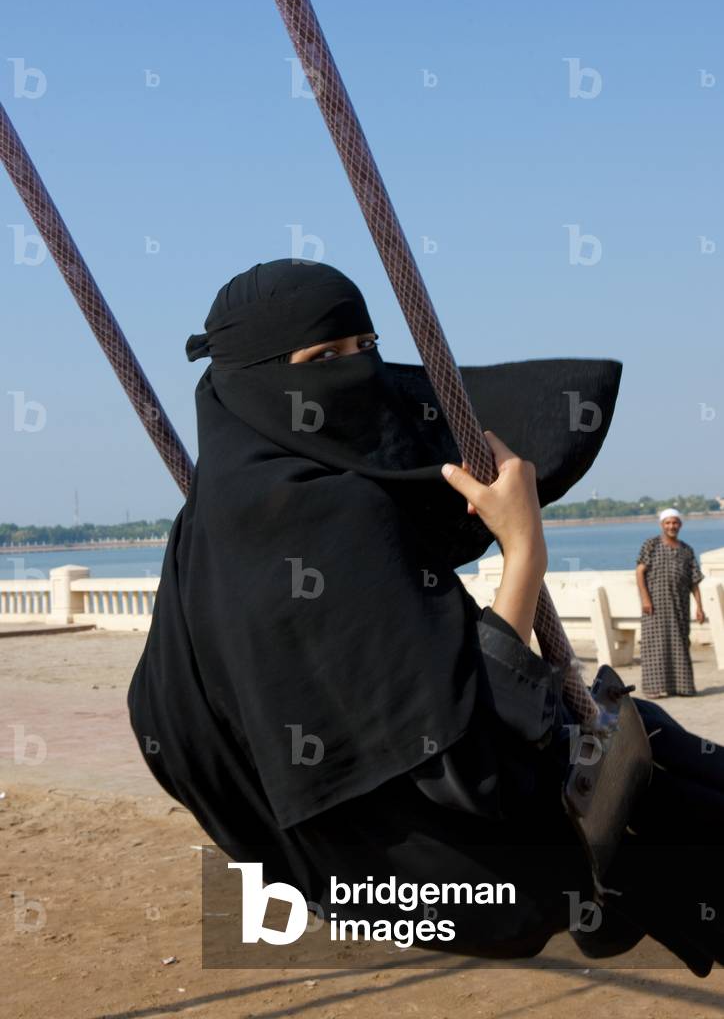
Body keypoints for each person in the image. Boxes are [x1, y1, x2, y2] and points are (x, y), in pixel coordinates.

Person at [128, 259, 724, 975]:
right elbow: (469, 765)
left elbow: (168, 725)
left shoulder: (198, 534)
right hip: (475, 864)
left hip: (358, 881)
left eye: (365, 347)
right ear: (255, 378)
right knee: (659, 773)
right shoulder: (338, 514)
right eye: (322, 358)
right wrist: (524, 547)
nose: (357, 374)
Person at [636, 507, 706, 697]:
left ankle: (682, 687)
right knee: (654, 646)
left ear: (680, 525)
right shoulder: (651, 545)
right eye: (668, 523)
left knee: (680, 644)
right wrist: (645, 598)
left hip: (680, 606)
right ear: (662, 525)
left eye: (675, 522)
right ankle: (654, 689)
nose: (671, 526)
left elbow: (694, 582)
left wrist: (700, 607)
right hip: (654, 606)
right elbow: (640, 572)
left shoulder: (687, 550)